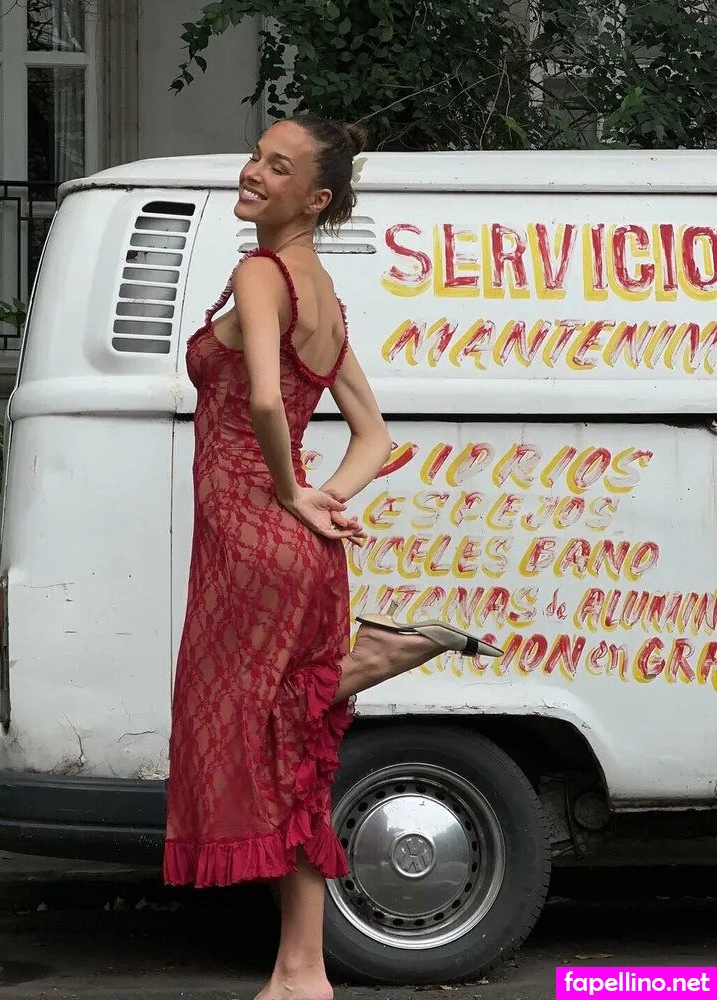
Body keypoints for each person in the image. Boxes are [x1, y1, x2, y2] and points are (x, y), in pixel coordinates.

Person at [163, 113, 503, 1000]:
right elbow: (374, 435)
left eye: (277, 167)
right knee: (292, 744)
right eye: (255, 156)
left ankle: (374, 657)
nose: (252, 172)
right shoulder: (324, 298)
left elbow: (265, 404)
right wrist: (324, 500)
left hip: (251, 536)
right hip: (295, 546)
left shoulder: (261, 275)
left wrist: (288, 492)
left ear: (314, 198)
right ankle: (300, 970)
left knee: (244, 732)